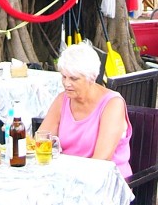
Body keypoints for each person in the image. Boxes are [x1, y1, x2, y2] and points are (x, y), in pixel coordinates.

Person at [39, 40, 132, 177]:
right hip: (68, 175)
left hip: (107, 181)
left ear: (91, 78)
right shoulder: (63, 99)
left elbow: (101, 160)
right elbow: (41, 139)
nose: (66, 83)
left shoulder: (112, 105)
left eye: (74, 79)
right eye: (64, 77)